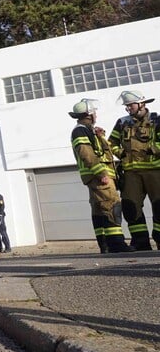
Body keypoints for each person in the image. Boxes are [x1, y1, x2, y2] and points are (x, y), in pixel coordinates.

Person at [69, 98, 131, 253]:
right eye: (94, 112)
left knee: (99, 209)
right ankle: (117, 244)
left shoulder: (88, 131)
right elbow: (86, 153)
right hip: (98, 177)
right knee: (112, 204)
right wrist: (101, 173)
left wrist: (99, 136)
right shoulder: (80, 131)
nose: (96, 114)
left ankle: (104, 245)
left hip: (94, 177)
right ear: (89, 114)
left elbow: (102, 151)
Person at [109, 90, 160, 251]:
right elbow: (111, 143)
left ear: (142, 104)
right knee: (131, 208)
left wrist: (153, 149)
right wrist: (121, 153)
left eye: (130, 105)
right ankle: (140, 242)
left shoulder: (157, 121)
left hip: (155, 171)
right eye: (127, 106)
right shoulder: (122, 122)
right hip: (131, 173)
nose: (128, 108)